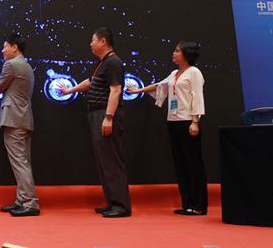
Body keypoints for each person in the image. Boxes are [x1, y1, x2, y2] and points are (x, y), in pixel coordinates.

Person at [127, 41, 207, 215]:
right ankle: (187, 203)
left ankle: (199, 205)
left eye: (177, 51)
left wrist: (195, 121)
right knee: (180, 163)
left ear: (186, 54)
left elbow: (197, 96)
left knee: (192, 163)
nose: (173, 53)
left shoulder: (194, 72)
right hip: (173, 121)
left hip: (188, 121)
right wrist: (138, 91)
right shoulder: (174, 73)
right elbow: (159, 86)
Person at [59, 27, 131, 218]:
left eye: (93, 40)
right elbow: (90, 82)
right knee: (104, 161)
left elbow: (116, 90)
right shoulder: (103, 63)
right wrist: (69, 91)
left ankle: (121, 205)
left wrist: (109, 117)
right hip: (97, 114)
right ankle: (112, 202)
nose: (90, 44)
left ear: (103, 41)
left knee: (111, 161)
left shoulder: (113, 62)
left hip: (105, 115)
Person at [0, 33, 40, 217]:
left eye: (5, 46)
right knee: (23, 161)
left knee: (19, 163)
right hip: (24, 118)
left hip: (14, 119)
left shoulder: (11, 65)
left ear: (14, 47)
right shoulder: (26, 65)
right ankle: (22, 200)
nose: (2, 50)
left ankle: (30, 203)